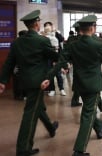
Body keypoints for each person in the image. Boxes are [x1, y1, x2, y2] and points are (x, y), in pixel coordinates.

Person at [41, 15, 102, 156]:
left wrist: (49, 77)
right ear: (92, 28)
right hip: (94, 84)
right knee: (88, 114)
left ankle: (99, 127)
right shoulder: (99, 44)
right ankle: (79, 150)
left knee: (89, 110)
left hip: (80, 83)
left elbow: (61, 62)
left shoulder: (72, 45)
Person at [0, 10, 59, 156]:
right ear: (37, 23)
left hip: (24, 81)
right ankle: (23, 148)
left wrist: (2, 81)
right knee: (30, 113)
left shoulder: (17, 43)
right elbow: (54, 56)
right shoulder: (42, 40)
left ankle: (51, 127)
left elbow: (9, 63)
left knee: (36, 106)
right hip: (38, 82)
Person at [42, 25, 67, 96]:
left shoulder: (55, 37)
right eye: (46, 30)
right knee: (50, 74)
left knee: (58, 74)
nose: (48, 31)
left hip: (55, 58)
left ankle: (61, 89)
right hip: (48, 59)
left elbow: (58, 48)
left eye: (49, 30)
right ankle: (52, 89)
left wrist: (56, 60)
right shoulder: (44, 37)